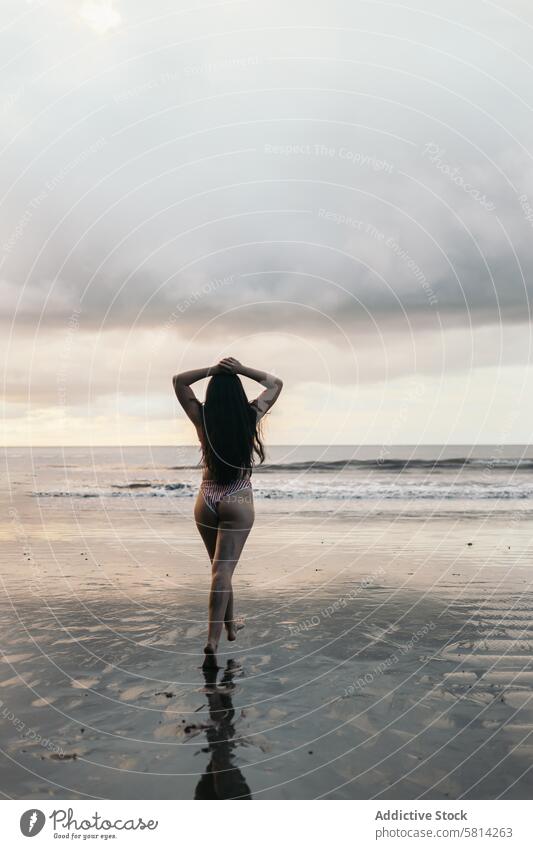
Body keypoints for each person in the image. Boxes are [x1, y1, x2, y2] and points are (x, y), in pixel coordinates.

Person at [172, 357, 283, 664]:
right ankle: (212, 641)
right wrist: (241, 370)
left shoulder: (202, 417)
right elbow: (276, 384)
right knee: (223, 571)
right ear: (237, 394)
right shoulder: (250, 415)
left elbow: (179, 380)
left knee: (218, 570)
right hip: (236, 494)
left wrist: (211, 370)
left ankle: (229, 628)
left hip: (206, 497)